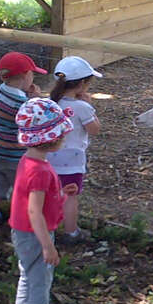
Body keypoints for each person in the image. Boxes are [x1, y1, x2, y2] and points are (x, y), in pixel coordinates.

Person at [10, 98, 76, 304]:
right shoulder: (39, 170)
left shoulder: (29, 161)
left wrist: (59, 194)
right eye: (62, 134)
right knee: (40, 280)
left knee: (28, 271)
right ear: (52, 139)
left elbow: (32, 199)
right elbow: (34, 211)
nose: (64, 138)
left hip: (22, 231)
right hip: (36, 233)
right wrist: (48, 245)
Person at [0, 52, 47, 228]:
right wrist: (35, 100)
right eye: (32, 74)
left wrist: (28, 98)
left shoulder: (2, 90)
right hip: (15, 153)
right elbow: (35, 117)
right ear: (25, 76)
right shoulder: (23, 102)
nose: (33, 77)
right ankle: (18, 218)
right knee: (19, 187)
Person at [48, 56, 102, 244]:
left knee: (51, 194)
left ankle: (48, 227)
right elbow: (94, 130)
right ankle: (71, 232)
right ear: (81, 84)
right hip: (72, 160)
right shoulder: (81, 107)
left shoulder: (50, 103)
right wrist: (90, 106)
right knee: (70, 197)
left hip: (48, 157)